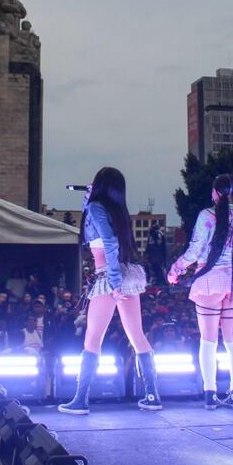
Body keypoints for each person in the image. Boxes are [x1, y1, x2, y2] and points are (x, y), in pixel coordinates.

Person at [59, 167, 161, 414]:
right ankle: (152, 395)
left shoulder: (97, 208)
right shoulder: (117, 211)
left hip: (109, 275)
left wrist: (114, 283)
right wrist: (88, 200)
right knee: (137, 335)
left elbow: (108, 242)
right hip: (127, 273)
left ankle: (80, 400)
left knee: (93, 337)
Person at [167, 174, 233, 410]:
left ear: (215, 193)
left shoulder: (207, 215)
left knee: (208, 341)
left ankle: (210, 393)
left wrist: (176, 269)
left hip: (209, 280)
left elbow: (195, 250)